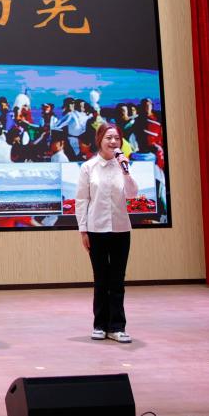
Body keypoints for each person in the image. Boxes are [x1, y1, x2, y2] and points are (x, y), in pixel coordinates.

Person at [75, 123, 139, 343]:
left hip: (121, 229)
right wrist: (83, 230)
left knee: (117, 280)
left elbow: (132, 194)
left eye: (116, 138)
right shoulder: (89, 167)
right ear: (100, 140)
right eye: (108, 138)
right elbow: (82, 200)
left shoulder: (123, 165)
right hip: (96, 229)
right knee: (101, 279)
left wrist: (126, 171)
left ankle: (117, 327)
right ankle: (100, 325)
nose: (113, 142)